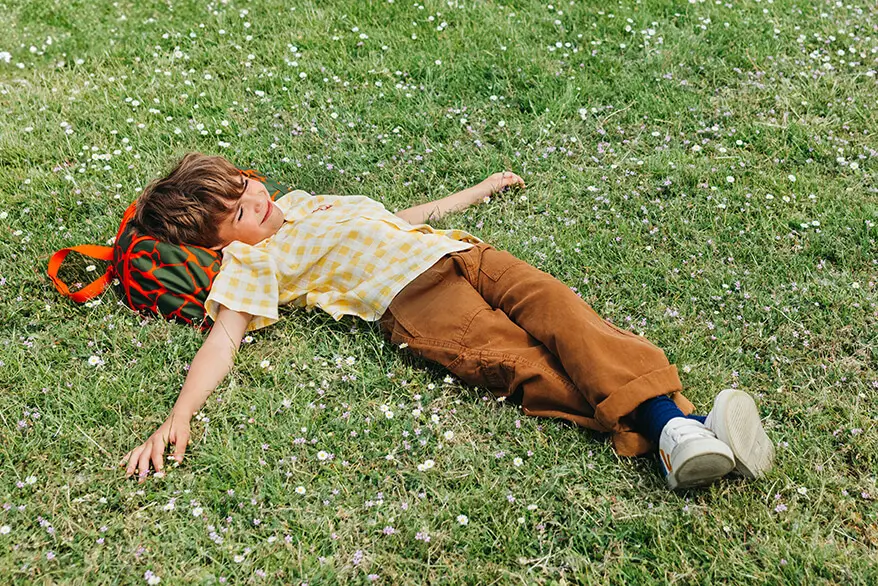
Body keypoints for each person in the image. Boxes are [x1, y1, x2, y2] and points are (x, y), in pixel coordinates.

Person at [121, 153, 774, 490]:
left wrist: (479, 190)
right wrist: (179, 415)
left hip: (463, 254)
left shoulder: (302, 201)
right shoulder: (250, 263)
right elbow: (225, 337)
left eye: (242, 185)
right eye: (236, 212)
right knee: (530, 366)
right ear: (220, 244)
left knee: (567, 315)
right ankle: (675, 429)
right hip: (418, 304)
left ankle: (682, 433)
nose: (254, 200)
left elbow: (400, 219)